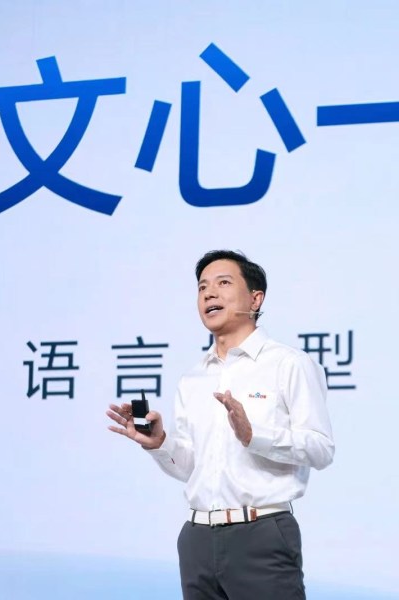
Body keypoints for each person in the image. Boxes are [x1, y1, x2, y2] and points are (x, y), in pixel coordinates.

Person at [106, 250, 334, 600]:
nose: (209, 294)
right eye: (202, 288)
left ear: (255, 298)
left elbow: (320, 449)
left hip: (261, 534)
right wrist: (161, 443)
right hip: (197, 539)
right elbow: (193, 468)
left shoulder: (289, 364)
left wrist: (253, 435)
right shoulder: (193, 378)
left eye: (223, 283)